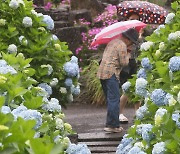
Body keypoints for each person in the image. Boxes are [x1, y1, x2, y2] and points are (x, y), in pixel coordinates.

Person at [97, 28, 139, 133]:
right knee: (114, 99)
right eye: (132, 42)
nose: (131, 45)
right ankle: (112, 125)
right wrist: (128, 55)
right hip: (111, 73)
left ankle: (111, 123)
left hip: (102, 72)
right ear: (128, 39)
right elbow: (124, 63)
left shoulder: (113, 42)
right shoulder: (122, 45)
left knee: (110, 99)